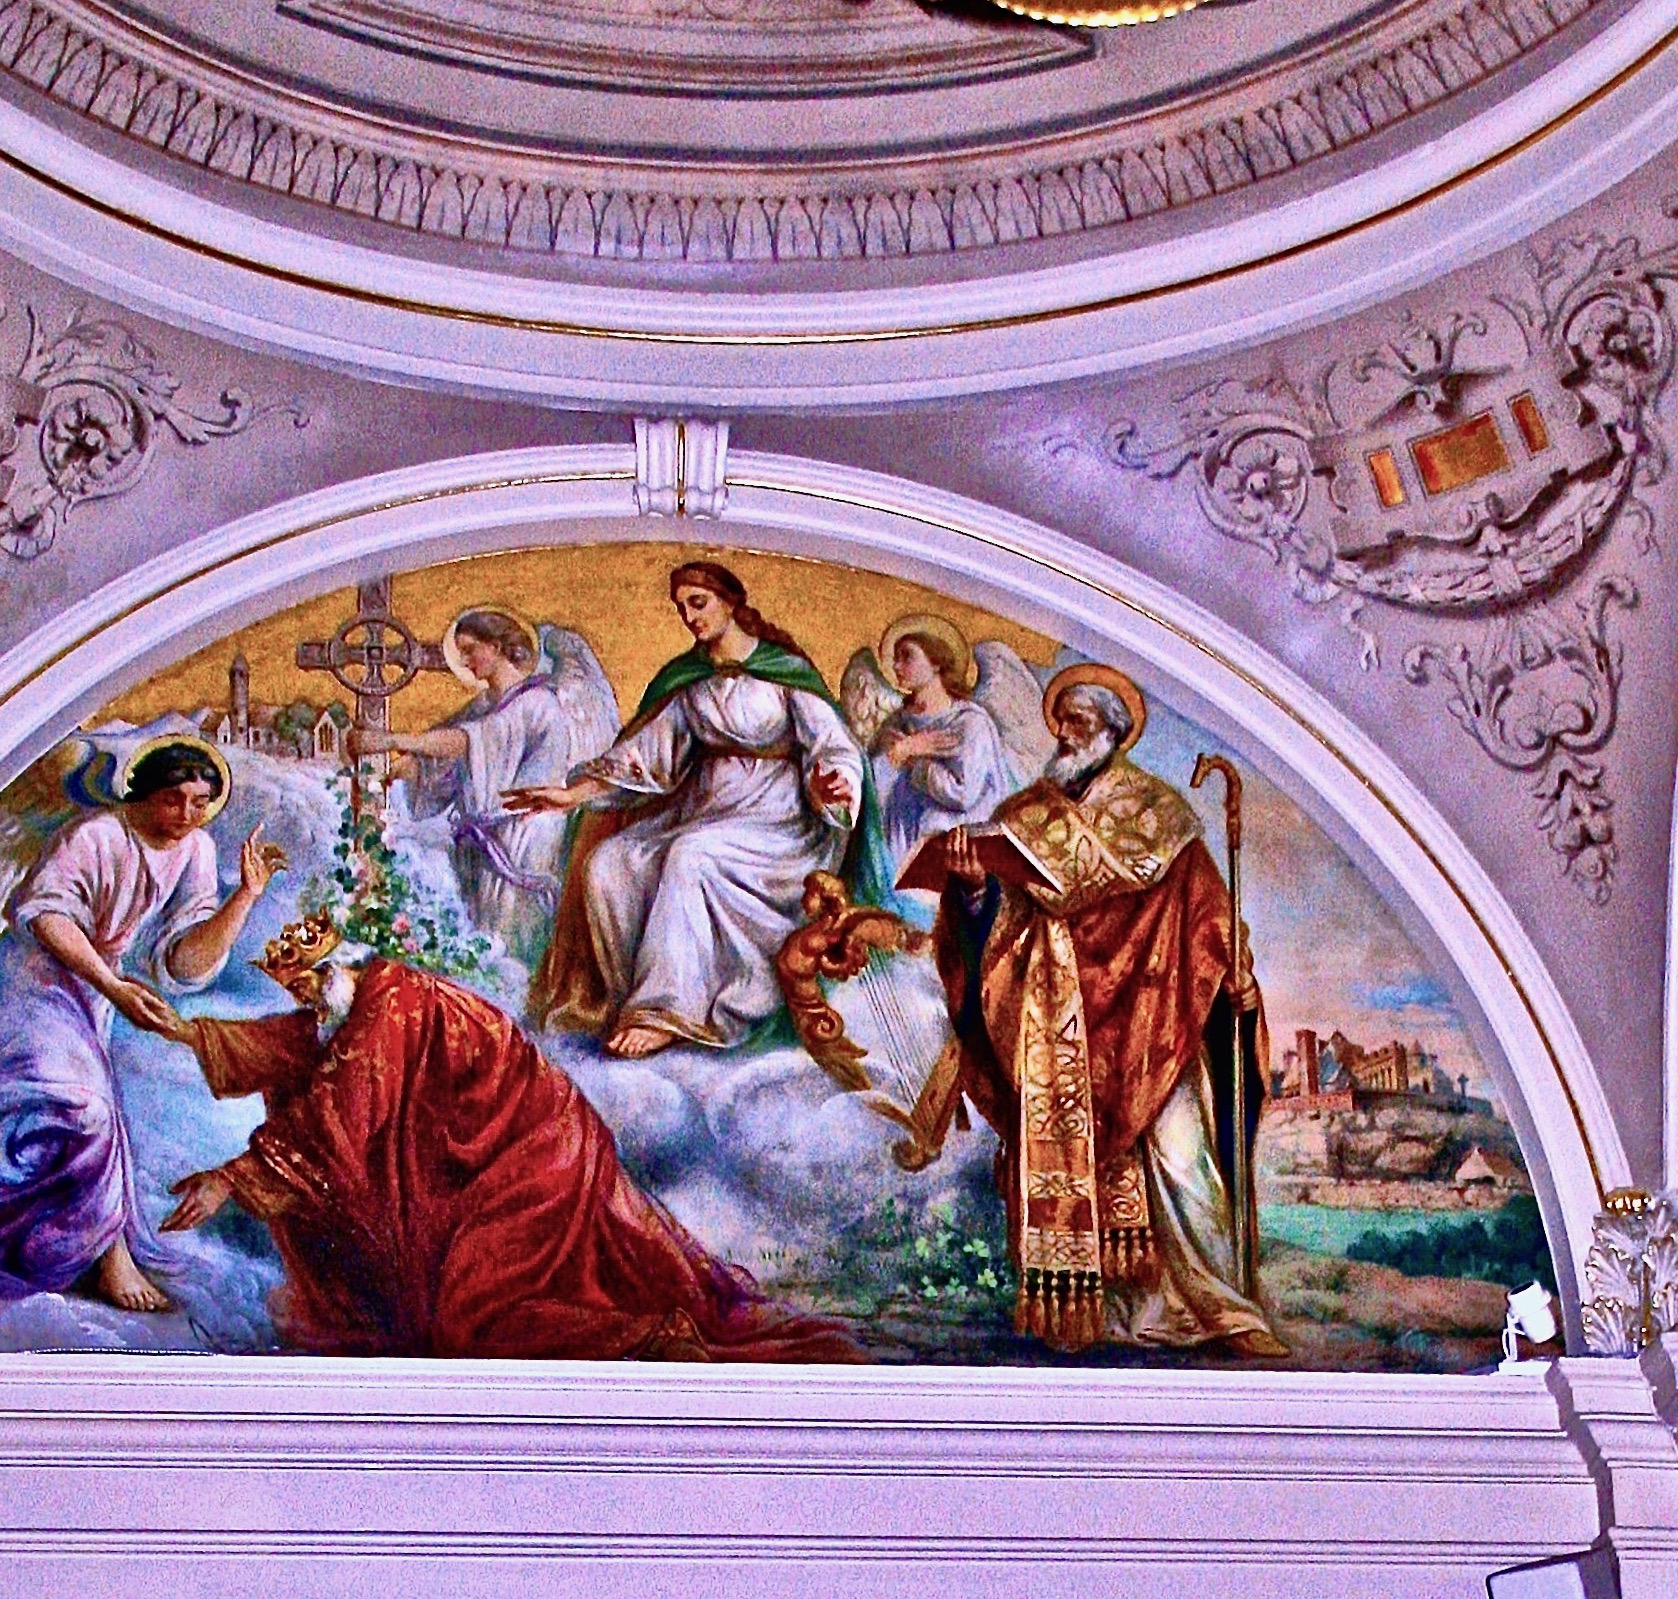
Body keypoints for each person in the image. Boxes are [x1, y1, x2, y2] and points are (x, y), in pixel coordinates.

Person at [157, 911, 853, 1361]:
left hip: (535, 1161)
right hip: (493, 1160)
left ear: (333, 969)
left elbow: (341, 1106)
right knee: (443, 1304)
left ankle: (647, 1340)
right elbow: (302, 1045)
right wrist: (189, 1033)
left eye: (307, 987)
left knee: (473, 1320)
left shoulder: (388, 1008)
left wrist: (233, 1178)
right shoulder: (361, 1002)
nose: (305, 1002)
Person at [909, 666, 1287, 1358]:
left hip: (1154, 1020)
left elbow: (1206, 916)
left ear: (1115, 732)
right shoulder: (1026, 818)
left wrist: (1236, 978)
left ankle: (1218, 1307)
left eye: (1079, 720)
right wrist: (973, 890)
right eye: (1061, 719)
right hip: (1056, 1029)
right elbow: (994, 934)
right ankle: (1108, 1314)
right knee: (1070, 1164)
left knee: (1182, 1163)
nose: (1064, 731)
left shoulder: (1159, 816)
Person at [0, 737, 282, 1316]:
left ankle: (37, 1243)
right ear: (143, 793)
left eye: (200, 803)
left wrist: (244, 897)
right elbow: (45, 916)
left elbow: (183, 963)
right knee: (82, 1109)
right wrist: (114, 987)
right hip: (29, 980)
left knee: (82, 1121)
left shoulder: (195, 849)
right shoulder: (95, 835)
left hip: (92, 991)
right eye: (174, 799)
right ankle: (96, 1253)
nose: (187, 815)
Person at [512, 561, 869, 1056]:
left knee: (691, 855)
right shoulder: (690, 682)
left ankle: (666, 1011)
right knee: (610, 863)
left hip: (779, 824)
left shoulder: (784, 674)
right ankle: (629, 997)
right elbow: (644, 757)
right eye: (682, 608)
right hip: (706, 814)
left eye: (698, 604)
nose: (690, 617)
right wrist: (572, 795)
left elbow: (833, 745)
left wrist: (835, 784)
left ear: (731, 603)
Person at [348, 609, 613, 964]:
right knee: (489, 939)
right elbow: (450, 761)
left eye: (471, 650)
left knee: (516, 942)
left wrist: (393, 740)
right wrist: (412, 766)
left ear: (497, 646)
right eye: (461, 653)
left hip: (529, 835)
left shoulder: (536, 700)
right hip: (491, 839)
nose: (465, 661)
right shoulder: (486, 706)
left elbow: (469, 742)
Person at [866, 616, 1029, 872]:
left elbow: (963, 795)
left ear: (936, 661)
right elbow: (871, 788)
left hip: (950, 853)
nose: (896, 665)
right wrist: (901, 751)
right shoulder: (896, 723)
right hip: (895, 843)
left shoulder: (969, 723)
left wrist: (915, 761)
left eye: (907, 656)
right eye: (895, 658)